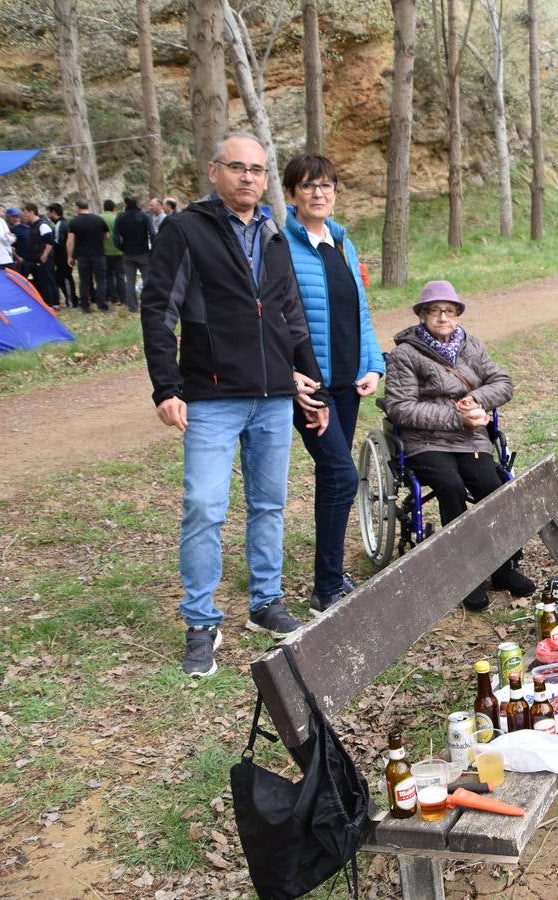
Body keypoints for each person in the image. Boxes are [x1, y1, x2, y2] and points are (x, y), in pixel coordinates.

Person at [141, 131, 330, 678]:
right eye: (237, 167)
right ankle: (201, 622)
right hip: (212, 396)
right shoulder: (184, 230)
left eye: (258, 169)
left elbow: (291, 315)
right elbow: (159, 311)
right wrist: (166, 387)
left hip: (272, 398)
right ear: (214, 171)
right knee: (204, 507)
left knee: (269, 504)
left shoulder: (273, 234)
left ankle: (265, 602)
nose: (249, 177)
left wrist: (312, 389)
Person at [383, 281, 535, 610]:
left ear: (457, 314)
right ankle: (464, 573)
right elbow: (400, 408)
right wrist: (457, 417)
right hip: (426, 440)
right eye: (435, 311)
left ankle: (502, 568)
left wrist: (476, 399)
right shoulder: (404, 354)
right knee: (450, 486)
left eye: (449, 311)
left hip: (471, 438)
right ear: (422, 315)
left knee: (491, 485)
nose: (442, 317)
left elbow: (503, 382)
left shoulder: (471, 346)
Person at [281, 153, 385, 614]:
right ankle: (326, 586)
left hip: (347, 382)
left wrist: (373, 364)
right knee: (342, 474)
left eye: (326, 186)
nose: (318, 193)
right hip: (311, 386)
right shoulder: (280, 245)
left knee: (333, 478)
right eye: (308, 186)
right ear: (291, 194)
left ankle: (330, 577)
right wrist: (290, 374)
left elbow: (359, 311)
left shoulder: (342, 243)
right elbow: (273, 318)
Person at [66, 199, 110, 312]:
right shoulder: (99, 219)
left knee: (84, 281)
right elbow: (107, 236)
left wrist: (70, 256)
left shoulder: (74, 222)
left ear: (77, 208)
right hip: (98, 254)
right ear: (87, 207)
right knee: (101, 280)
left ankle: (85, 305)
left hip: (82, 256)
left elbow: (70, 241)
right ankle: (101, 305)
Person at [114, 196, 155, 311]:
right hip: (143, 252)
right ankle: (148, 303)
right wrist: (153, 248)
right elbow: (152, 233)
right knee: (147, 279)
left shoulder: (120, 218)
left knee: (130, 281)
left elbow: (116, 238)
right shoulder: (144, 216)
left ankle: (132, 306)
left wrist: (122, 248)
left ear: (126, 205)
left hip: (128, 253)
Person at [17, 205, 59, 308]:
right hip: (35, 259)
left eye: (26, 213)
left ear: (32, 212)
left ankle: (53, 303)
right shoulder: (32, 226)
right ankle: (45, 302)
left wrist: (45, 254)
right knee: (40, 281)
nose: (24, 216)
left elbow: (50, 241)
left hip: (44, 259)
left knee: (48, 280)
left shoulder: (42, 225)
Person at [46, 204, 76, 308]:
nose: (48, 215)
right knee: (60, 278)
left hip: (63, 258)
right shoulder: (66, 223)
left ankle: (72, 301)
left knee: (66, 278)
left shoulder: (59, 225)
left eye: (49, 213)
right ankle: (71, 299)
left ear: (53, 212)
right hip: (67, 256)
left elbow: (57, 242)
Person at [101, 199, 125, 304]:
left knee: (108, 275)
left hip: (105, 251)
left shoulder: (99, 218)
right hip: (119, 251)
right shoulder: (117, 218)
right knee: (120, 275)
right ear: (114, 209)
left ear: (103, 208)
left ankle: (113, 297)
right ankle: (123, 298)